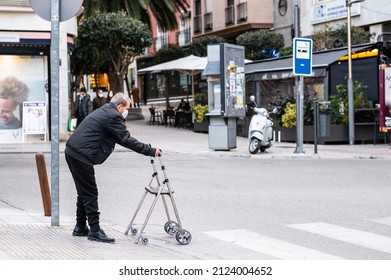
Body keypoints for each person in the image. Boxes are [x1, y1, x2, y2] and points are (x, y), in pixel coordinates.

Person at [65, 92, 162, 243]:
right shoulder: (113, 116)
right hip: (81, 155)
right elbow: (126, 140)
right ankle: (95, 230)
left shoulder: (105, 110)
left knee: (83, 191)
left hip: (73, 152)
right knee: (90, 193)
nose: (126, 111)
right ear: (119, 106)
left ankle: (80, 227)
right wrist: (150, 150)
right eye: (126, 108)